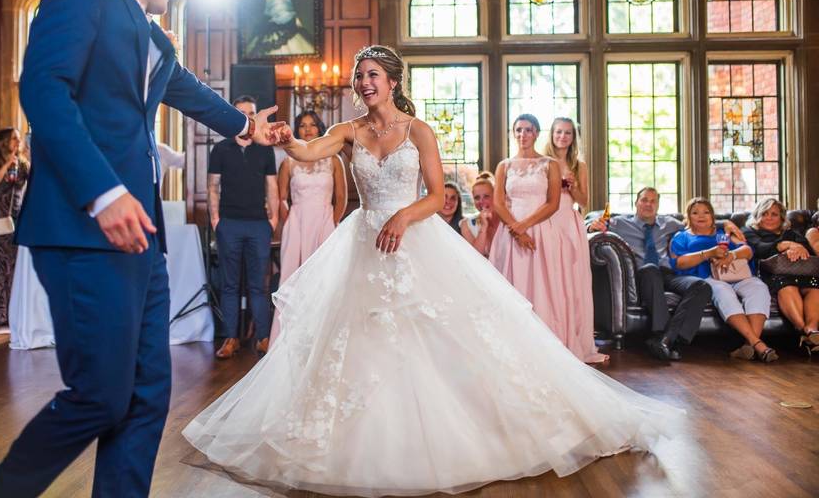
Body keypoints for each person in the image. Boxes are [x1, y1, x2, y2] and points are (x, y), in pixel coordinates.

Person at [183, 45, 681, 496]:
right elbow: (310, 152)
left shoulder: (418, 130)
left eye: (371, 74)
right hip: (363, 242)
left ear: (393, 81)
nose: (363, 83)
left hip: (413, 235)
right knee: (358, 336)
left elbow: (438, 195)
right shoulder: (349, 131)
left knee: (440, 331)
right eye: (359, 76)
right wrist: (287, 139)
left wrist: (402, 216)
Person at [0, 0, 284, 498]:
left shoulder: (156, 38)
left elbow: (187, 90)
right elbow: (43, 88)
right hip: (83, 224)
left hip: (141, 237)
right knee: (100, 395)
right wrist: (103, 191)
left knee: (146, 395)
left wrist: (246, 126)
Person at [488, 114, 603, 362]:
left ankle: (547, 345)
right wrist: (515, 230)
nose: (523, 134)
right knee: (512, 285)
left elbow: (552, 204)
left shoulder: (549, 164)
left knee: (543, 286)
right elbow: (498, 202)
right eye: (518, 130)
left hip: (539, 228)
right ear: (513, 133)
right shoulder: (504, 166)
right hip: (510, 232)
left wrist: (524, 227)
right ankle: (513, 344)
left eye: (528, 130)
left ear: (537, 133)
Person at [588, 188, 744, 362]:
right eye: (644, 200)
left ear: (658, 205)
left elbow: (698, 222)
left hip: (670, 274)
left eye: (653, 201)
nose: (648, 204)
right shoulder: (620, 223)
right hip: (642, 275)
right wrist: (592, 226)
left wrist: (725, 223)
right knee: (650, 269)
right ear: (636, 203)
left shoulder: (670, 223)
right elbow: (592, 225)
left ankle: (667, 340)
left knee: (701, 286)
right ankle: (662, 334)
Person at [208, 95, 279, 359]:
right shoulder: (221, 149)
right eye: (241, 112)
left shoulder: (264, 148)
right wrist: (216, 218)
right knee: (229, 285)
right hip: (229, 224)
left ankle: (262, 338)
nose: (247, 116)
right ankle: (231, 338)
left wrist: (273, 220)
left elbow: (272, 186)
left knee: (258, 286)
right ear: (233, 115)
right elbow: (213, 186)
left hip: (259, 225)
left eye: (251, 112)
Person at [670, 198, 775, 362]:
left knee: (759, 287)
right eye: (695, 212)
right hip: (707, 277)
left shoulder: (724, 234)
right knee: (723, 291)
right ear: (688, 217)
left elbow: (748, 250)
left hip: (736, 274)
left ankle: (748, 345)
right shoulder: (682, 237)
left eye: (706, 212)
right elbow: (679, 262)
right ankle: (758, 344)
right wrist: (710, 253)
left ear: (712, 216)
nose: (701, 216)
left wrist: (731, 255)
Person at [540, 116, 607, 363]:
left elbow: (584, 200)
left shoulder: (579, 165)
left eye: (567, 133)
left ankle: (574, 337)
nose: (562, 137)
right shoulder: (542, 162)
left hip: (569, 222)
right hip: (547, 220)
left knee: (572, 278)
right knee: (550, 276)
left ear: (573, 137)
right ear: (551, 134)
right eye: (558, 132)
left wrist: (571, 186)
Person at [742, 197, 819, 355]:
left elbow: (809, 252)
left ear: (782, 218)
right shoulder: (749, 232)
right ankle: (803, 330)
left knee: (814, 287)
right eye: (765, 213)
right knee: (787, 286)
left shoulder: (790, 233)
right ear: (757, 215)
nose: (769, 218)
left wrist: (797, 248)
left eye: (774, 214)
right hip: (772, 274)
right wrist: (783, 245)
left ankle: (812, 329)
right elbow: (758, 249)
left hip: (799, 273)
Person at [278, 109, 347, 283]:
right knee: (293, 273)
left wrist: (333, 221)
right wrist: (289, 222)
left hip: (325, 220)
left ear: (319, 129)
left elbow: (341, 196)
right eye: (302, 126)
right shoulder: (288, 162)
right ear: (297, 130)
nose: (308, 129)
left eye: (312, 125)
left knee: (324, 274)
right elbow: (281, 198)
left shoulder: (334, 160)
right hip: (297, 222)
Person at [0, 127, 30, 327]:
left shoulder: (23, 164)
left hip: (17, 218)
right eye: (13, 139)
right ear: (2, 142)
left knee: (14, 269)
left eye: (19, 139)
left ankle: (13, 314)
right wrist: (6, 164)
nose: (17, 143)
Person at [460, 172, 499, 256]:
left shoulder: (506, 221)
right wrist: (483, 227)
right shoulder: (466, 225)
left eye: (486, 196)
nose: (481, 201)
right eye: (477, 198)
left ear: (495, 196)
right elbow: (476, 257)